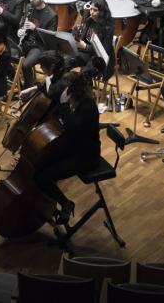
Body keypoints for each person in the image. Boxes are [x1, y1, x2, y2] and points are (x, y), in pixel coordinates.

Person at [35, 72, 101, 225]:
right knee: (40, 166)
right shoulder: (81, 102)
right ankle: (49, 208)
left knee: (42, 177)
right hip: (75, 149)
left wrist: (64, 105)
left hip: (86, 157)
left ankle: (65, 204)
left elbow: (73, 128)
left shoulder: (88, 107)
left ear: (72, 90)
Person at [18, 0, 58, 87]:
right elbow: (23, 23)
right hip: (26, 42)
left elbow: (49, 40)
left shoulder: (51, 15)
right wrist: (20, 30)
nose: (31, 0)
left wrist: (35, 29)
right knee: (6, 53)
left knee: (25, 65)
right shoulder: (29, 6)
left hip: (39, 46)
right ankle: (16, 84)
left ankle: (28, 87)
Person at [71, 0, 115, 79]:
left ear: (102, 12)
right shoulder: (88, 18)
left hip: (99, 58)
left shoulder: (108, 27)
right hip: (86, 52)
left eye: (95, 10)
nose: (91, 12)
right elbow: (81, 33)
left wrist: (86, 47)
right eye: (91, 9)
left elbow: (104, 51)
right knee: (67, 62)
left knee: (85, 74)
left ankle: (84, 88)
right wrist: (76, 34)